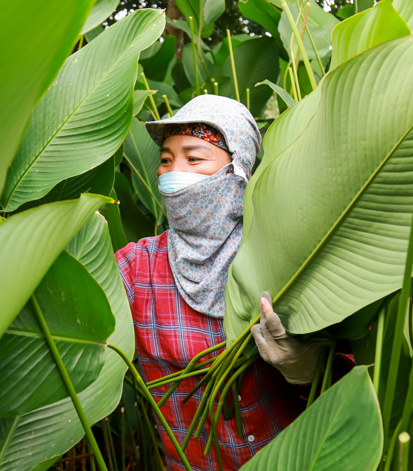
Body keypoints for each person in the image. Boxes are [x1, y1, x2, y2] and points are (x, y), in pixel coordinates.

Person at [115, 95, 337, 471]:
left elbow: (359, 377)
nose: (173, 173)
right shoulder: (139, 267)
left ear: (239, 167)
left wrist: (307, 367)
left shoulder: (283, 259)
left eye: (194, 158)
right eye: (166, 160)